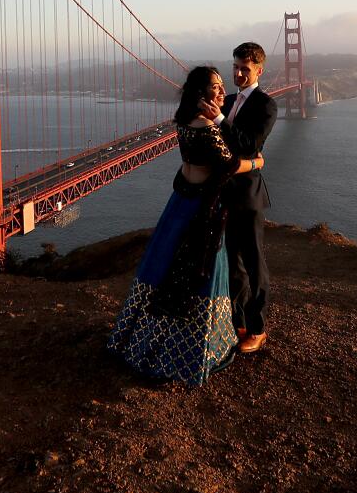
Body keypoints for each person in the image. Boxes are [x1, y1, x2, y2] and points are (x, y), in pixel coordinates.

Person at [108, 66, 267, 385]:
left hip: (180, 204)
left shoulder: (184, 121)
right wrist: (258, 162)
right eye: (215, 87)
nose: (222, 92)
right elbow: (230, 164)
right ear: (200, 93)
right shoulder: (207, 125)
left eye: (223, 85)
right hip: (203, 210)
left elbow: (191, 164)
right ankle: (193, 349)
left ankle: (147, 339)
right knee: (200, 272)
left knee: (166, 269)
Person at [204, 42, 277, 353]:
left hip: (247, 196)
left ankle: (258, 329)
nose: (237, 73)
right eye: (235, 67)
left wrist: (220, 120)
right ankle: (239, 323)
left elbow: (248, 145)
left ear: (259, 70)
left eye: (244, 69)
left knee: (254, 263)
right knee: (233, 263)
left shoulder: (266, 106)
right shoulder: (228, 99)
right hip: (223, 194)